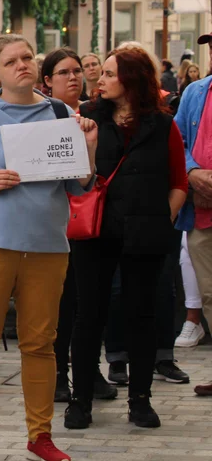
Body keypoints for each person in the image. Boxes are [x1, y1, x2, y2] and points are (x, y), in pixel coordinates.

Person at [0, 35, 97, 461]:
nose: (22, 65)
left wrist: (89, 145)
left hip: (46, 244)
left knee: (41, 343)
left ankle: (40, 436)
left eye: (27, 57)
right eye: (11, 61)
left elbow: (79, 183)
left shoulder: (61, 113)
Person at [66, 47, 187, 432]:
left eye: (109, 74)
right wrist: (87, 146)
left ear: (132, 79)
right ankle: (80, 400)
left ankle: (140, 400)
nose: (99, 80)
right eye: (100, 73)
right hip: (97, 231)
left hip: (145, 233)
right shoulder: (88, 118)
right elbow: (79, 179)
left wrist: (162, 217)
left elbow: (179, 182)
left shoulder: (163, 124)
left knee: (141, 316)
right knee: (90, 317)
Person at [39, 48, 113, 403]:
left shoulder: (95, 115)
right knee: (60, 303)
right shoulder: (40, 119)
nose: (73, 77)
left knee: (88, 300)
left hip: (90, 221)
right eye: (64, 72)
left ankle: (89, 369)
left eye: (78, 71)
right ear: (47, 81)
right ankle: (56, 374)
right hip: (53, 220)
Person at [173, 34, 212, 397]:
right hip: (201, 209)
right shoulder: (196, 91)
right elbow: (179, 141)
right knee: (210, 293)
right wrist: (192, 171)